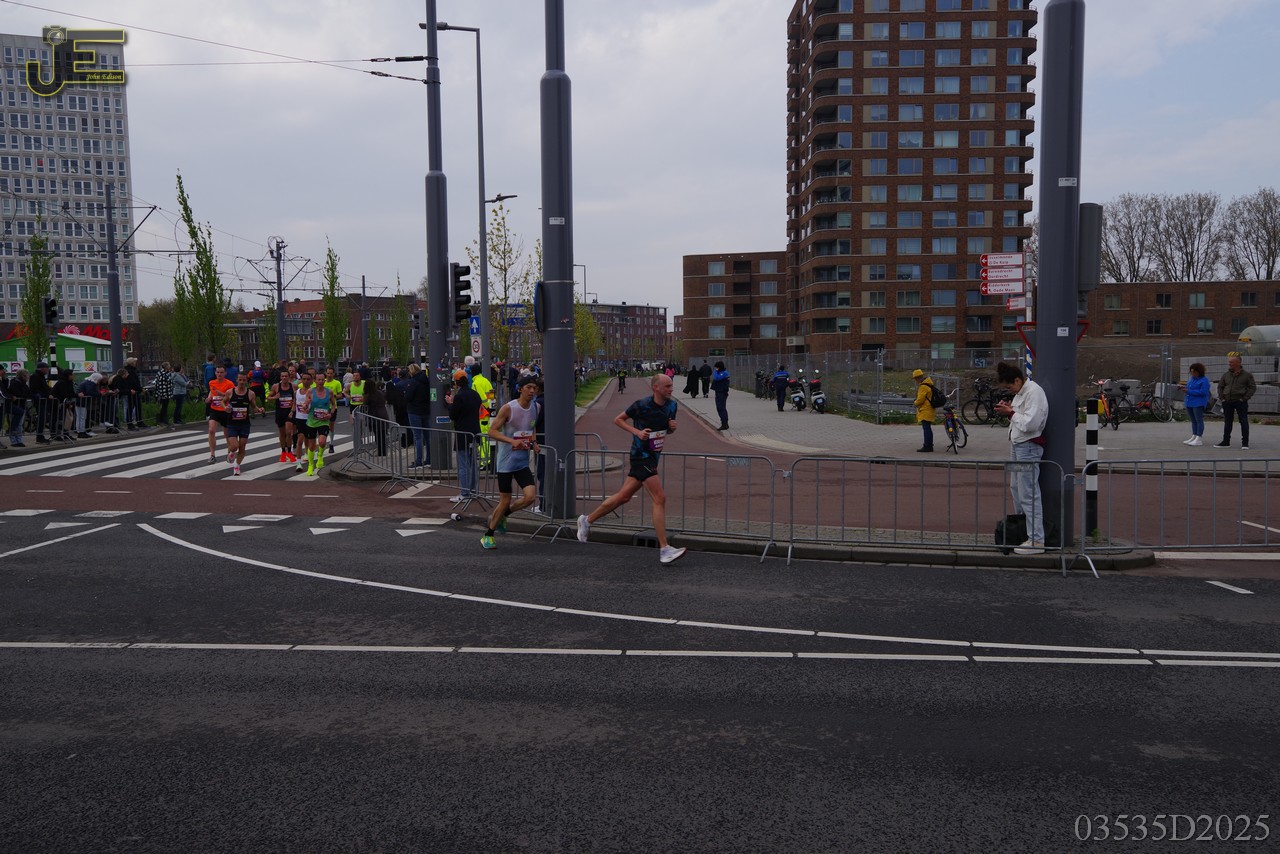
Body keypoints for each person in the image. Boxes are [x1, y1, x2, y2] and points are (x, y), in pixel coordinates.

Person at [576, 373, 687, 565]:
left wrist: (672, 427)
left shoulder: (672, 406)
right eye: (667, 386)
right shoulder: (641, 405)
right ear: (656, 387)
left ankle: (587, 520)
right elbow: (618, 419)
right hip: (640, 456)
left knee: (623, 497)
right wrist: (637, 432)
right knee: (660, 498)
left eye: (671, 386)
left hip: (654, 456)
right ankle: (664, 549)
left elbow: (666, 430)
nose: (671, 389)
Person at [993, 361, 1048, 556]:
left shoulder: (1034, 392)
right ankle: (1024, 531)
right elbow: (1021, 418)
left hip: (1028, 446)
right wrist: (1011, 411)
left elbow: (1030, 424)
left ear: (1017, 380)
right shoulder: (1022, 393)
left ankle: (1037, 539)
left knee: (1028, 493)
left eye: (1009, 387)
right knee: (1017, 488)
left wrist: (1011, 412)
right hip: (1019, 445)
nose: (1009, 391)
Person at [480, 376, 541, 550]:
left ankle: (505, 514)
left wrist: (534, 442)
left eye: (534, 388)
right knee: (505, 500)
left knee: (530, 497)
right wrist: (511, 441)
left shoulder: (536, 407)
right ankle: (488, 535)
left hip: (522, 462)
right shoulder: (509, 408)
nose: (532, 391)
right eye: (528, 387)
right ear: (520, 389)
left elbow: (531, 427)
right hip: (506, 462)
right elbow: (492, 431)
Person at [446, 369, 482, 502]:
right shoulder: (475, 394)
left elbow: (453, 415)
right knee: (473, 463)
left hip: (463, 433)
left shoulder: (459, 396)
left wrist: (450, 404)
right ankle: (473, 490)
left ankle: (465, 493)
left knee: (463, 464)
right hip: (475, 431)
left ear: (456, 382)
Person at [220, 372, 264, 476]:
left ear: (246, 381)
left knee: (242, 446)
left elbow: (254, 407)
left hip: (244, 424)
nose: (242, 382)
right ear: (237, 380)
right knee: (234, 446)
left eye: (244, 380)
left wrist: (259, 410)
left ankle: (237, 466)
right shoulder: (230, 392)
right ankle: (231, 452)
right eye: (240, 380)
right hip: (232, 423)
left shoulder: (250, 394)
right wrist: (225, 408)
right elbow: (223, 402)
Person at [1215, 354, 1256, 450]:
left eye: (1231, 362)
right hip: (1227, 402)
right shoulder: (1226, 374)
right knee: (1228, 422)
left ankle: (1245, 443)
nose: (1229, 364)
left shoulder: (1247, 375)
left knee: (1243, 421)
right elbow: (1220, 386)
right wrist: (1222, 398)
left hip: (1240, 402)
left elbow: (1252, 388)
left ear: (1238, 362)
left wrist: (1244, 398)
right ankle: (1226, 442)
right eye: (1229, 362)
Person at [204, 364, 234, 464]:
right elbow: (211, 392)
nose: (219, 374)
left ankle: (230, 452)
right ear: (215, 373)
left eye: (221, 372)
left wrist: (223, 394)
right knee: (211, 430)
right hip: (214, 410)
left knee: (226, 434)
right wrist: (209, 398)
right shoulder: (211, 382)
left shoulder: (229, 383)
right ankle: (212, 455)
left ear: (225, 373)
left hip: (225, 410)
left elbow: (233, 395)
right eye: (217, 372)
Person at [266, 369, 298, 462]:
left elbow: (296, 400)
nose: (284, 378)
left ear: (289, 377)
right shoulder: (276, 387)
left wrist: (293, 410)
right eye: (282, 376)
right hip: (280, 412)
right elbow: (268, 398)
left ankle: (289, 451)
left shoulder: (293, 386)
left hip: (289, 412)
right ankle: (283, 451)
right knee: (282, 433)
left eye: (286, 376)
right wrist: (275, 397)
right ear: (280, 377)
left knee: (288, 432)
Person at [404, 363, 431, 468]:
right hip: (426, 411)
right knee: (427, 436)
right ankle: (429, 459)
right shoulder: (426, 381)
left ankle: (418, 461)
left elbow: (408, 397)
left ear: (411, 371)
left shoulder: (413, 382)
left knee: (418, 437)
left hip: (415, 411)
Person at [1179, 362, 1210, 447]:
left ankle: (1199, 438)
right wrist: (1183, 388)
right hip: (1189, 402)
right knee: (1193, 420)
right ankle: (1194, 435)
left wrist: (1189, 391)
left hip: (1198, 403)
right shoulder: (1191, 379)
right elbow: (1189, 387)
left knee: (1199, 420)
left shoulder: (1204, 380)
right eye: (1191, 372)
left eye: (1194, 372)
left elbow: (1203, 392)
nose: (1193, 373)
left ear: (1199, 371)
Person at [911, 368, 936, 452]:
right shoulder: (929, 384)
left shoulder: (923, 387)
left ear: (918, 378)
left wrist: (915, 403)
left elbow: (920, 400)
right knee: (928, 428)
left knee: (926, 428)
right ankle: (929, 445)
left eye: (915, 379)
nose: (915, 381)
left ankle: (927, 446)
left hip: (925, 410)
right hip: (929, 409)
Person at [5, 368, 30, 447]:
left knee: (19, 425)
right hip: (14, 406)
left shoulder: (24, 385)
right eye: (27, 375)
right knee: (14, 423)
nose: (28, 377)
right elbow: (19, 394)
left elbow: (28, 393)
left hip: (21, 406)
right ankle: (14, 441)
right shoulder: (14, 383)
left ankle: (19, 440)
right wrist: (27, 396)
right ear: (23, 376)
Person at [153, 361, 174, 427]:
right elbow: (162, 384)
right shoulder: (162, 373)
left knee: (165, 407)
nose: (170, 366)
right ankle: (162, 420)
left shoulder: (167, 372)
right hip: (164, 393)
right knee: (163, 407)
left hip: (167, 392)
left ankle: (164, 420)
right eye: (169, 365)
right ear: (166, 366)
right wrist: (163, 394)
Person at [711, 360, 730, 430]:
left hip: (722, 392)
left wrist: (715, 372)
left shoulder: (724, 373)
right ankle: (724, 422)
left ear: (719, 367)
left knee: (721, 408)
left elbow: (717, 378)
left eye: (716, 367)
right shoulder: (720, 372)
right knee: (719, 408)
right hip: (718, 391)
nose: (715, 369)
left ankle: (724, 423)